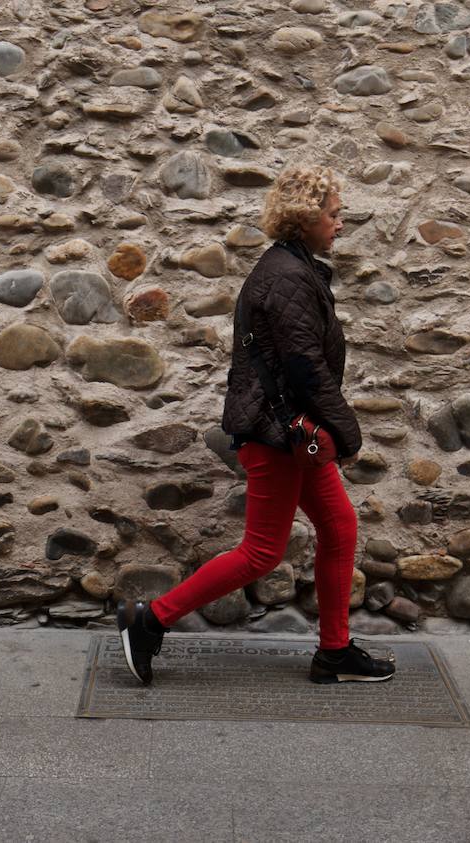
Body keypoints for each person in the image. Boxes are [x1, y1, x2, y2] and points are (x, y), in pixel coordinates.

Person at [116, 164, 395, 687]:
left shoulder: (292, 268)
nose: (341, 223)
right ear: (306, 219)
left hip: (291, 433)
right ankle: (149, 620)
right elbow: (305, 367)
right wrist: (349, 434)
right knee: (262, 551)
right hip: (278, 435)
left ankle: (334, 651)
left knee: (339, 527)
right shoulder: (286, 277)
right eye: (334, 215)